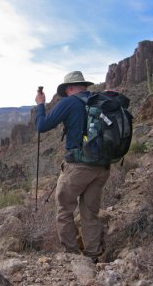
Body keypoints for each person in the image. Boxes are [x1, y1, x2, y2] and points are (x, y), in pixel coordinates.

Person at [35, 71, 110, 262]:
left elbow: (42, 125)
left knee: (64, 209)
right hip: (102, 167)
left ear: (69, 88)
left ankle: (71, 255)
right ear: (83, 85)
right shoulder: (99, 100)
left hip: (78, 167)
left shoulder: (70, 102)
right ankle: (93, 255)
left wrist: (40, 105)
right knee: (90, 213)